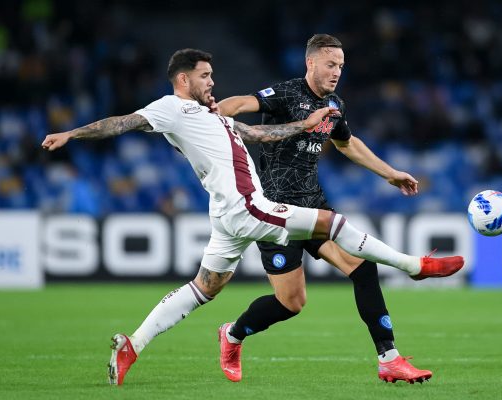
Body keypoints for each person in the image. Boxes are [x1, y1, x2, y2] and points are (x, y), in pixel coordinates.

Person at [42, 48, 463, 386]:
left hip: (230, 214)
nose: (213, 83)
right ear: (184, 79)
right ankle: (413, 266)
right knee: (333, 225)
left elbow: (261, 133)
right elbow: (121, 122)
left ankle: (134, 344)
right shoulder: (170, 107)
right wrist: (71, 133)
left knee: (205, 288)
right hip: (251, 206)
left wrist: (305, 125)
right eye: (205, 76)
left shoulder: (213, 118)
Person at [216, 34, 462, 384]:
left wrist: (390, 174)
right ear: (311, 63)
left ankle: (388, 359)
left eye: (341, 67)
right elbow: (240, 103)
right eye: (330, 65)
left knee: (363, 270)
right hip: (276, 214)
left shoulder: (334, 105)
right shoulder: (286, 94)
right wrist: (210, 118)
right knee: (290, 303)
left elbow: (347, 144)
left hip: (315, 208)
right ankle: (232, 335)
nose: (336, 72)